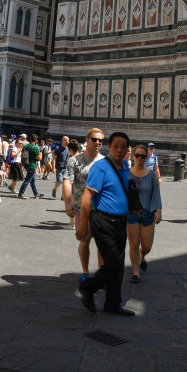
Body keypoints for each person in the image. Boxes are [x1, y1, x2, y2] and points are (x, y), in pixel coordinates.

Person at [76, 131, 134, 315]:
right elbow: (87, 197)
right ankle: (88, 288)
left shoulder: (125, 165)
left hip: (120, 222)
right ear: (110, 147)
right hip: (103, 222)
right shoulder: (101, 167)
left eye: (123, 147)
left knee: (118, 266)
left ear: (127, 149)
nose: (119, 150)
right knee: (114, 264)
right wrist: (84, 225)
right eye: (115, 146)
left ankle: (113, 304)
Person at [63, 127, 104, 283]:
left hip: (101, 210)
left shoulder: (105, 162)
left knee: (102, 244)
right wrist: (68, 203)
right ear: (87, 140)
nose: (97, 143)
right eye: (94, 139)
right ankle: (85, 272)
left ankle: (101, 274)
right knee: (85, 240)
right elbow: (67, 181)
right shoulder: (75, 161)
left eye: (100, 140)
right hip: (82, 209)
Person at [127, 143, 163, 282]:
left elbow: (156, 193)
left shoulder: (152, 174)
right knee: (134, 244)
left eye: (143, 156)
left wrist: (158, 211)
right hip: (131, 214)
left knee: (146, 246)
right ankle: (136, 272)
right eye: (137, 155)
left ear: (147, 158)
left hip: (148, 213)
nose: (140, 158)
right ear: (133, 156)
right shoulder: (127, 173)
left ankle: (142, 255)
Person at [17, 134, 43, 199]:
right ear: (36, 140)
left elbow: (23, 154)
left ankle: (36, 193)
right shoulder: (35, 147)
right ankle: (21, 193)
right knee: (27, 180)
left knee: (32, 180)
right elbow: (39, 158)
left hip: (26, 164)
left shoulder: (26, 146)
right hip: (32, 165)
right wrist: (41, 153)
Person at [52, 134, 71, 199]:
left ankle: (62, 196)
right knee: (60, 181)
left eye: (68, 140)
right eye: (65, 140)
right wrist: (53, 168)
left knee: (65, 183)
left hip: (66, 168)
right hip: (59, 167)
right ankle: (54, 189)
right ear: (62, 141)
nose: (67, 141)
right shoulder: (58, 148)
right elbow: (54, 158)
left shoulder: (68, 149)